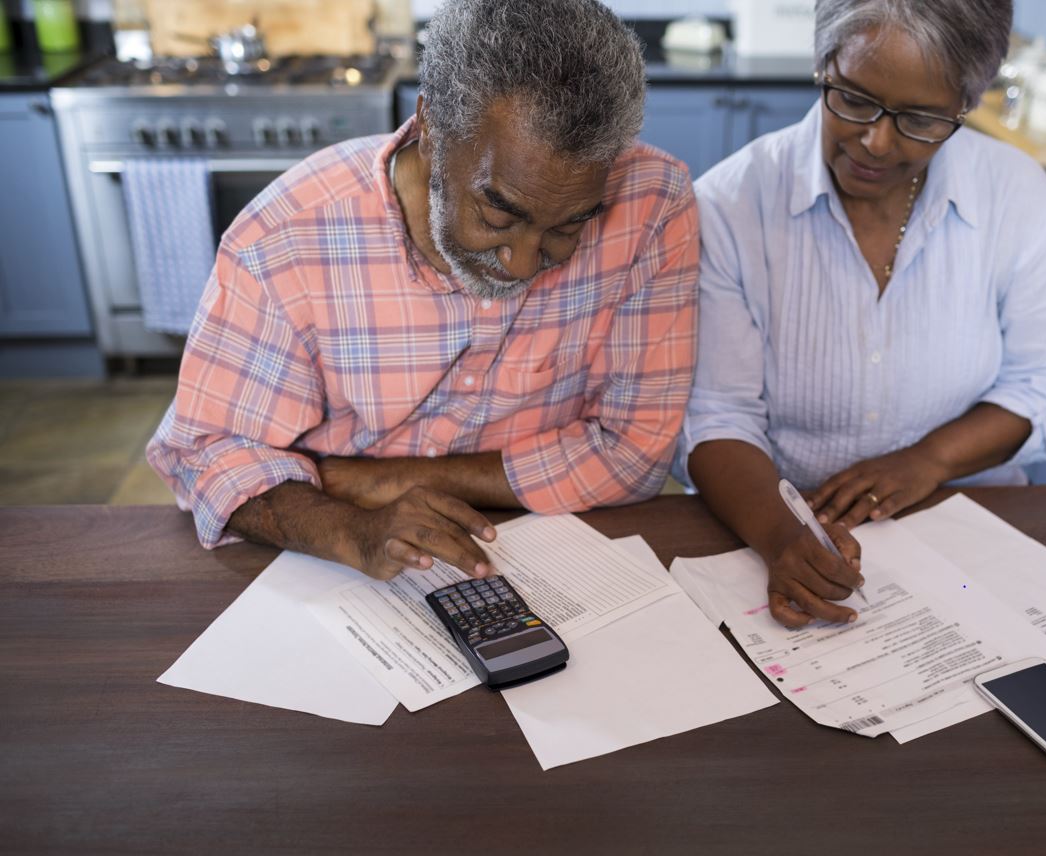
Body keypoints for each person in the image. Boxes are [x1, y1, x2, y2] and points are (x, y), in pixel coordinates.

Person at [148, 0, 699, 581]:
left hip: (549, 555)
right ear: (432, 130)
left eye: (568, 227)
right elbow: (207, 454)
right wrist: (350, 528)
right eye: (496, 213)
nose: (520, 263)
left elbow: (635, 453)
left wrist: (375, 480)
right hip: (332, 561)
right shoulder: (288, 235)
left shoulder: (652, 204)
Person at [679, 0, 1046, 628]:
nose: (875, 141)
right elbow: (717, 415)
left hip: (969, 527)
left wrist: (928, 461)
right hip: (779, 528)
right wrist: (781, 536)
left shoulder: (1017, 195)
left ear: (966, 103)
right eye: (853, 99)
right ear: (824, 64)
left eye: (921, 120)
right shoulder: (730, 206)